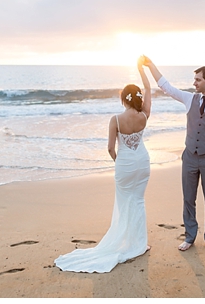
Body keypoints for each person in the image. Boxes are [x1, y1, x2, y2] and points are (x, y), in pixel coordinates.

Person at [54, 58, 152, 273]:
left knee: (125, 202)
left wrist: (120, 163)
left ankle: (127, 241)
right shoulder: (145, 115)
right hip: (143, 162)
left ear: (123, 99)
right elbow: (148, 87)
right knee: (138, 201)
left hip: (125, 164)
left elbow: (110, 148)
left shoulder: (115, 120)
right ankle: (139, 244)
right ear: (138, 98)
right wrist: (141, 69)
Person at [142, 55, 205, 252]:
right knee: (188, 199)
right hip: (190, 157)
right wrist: (150, 65)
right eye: (195, 79)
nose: (194, 83)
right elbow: (167, 87)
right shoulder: (190, 99)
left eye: (198, 80)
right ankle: (190, 236)